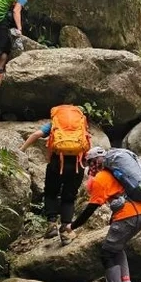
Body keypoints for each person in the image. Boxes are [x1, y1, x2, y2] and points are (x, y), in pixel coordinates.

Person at [72, 146, 141, 282]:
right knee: (117, 248)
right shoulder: (117, 173)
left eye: (89, 164)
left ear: (92, 162)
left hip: (127, 216)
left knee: (107, 253)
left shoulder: (101, 178)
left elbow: (90, 209)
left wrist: (72, 226)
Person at [20, 104, 90, 245]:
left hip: (57, 163)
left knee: (51, 193)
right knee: (69, 198)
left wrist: (21, 149)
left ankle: (51, 225)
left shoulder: (55, 124)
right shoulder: (81, 124)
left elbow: (36, 135)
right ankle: (65, 231)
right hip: (77, 165)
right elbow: (87, 144)